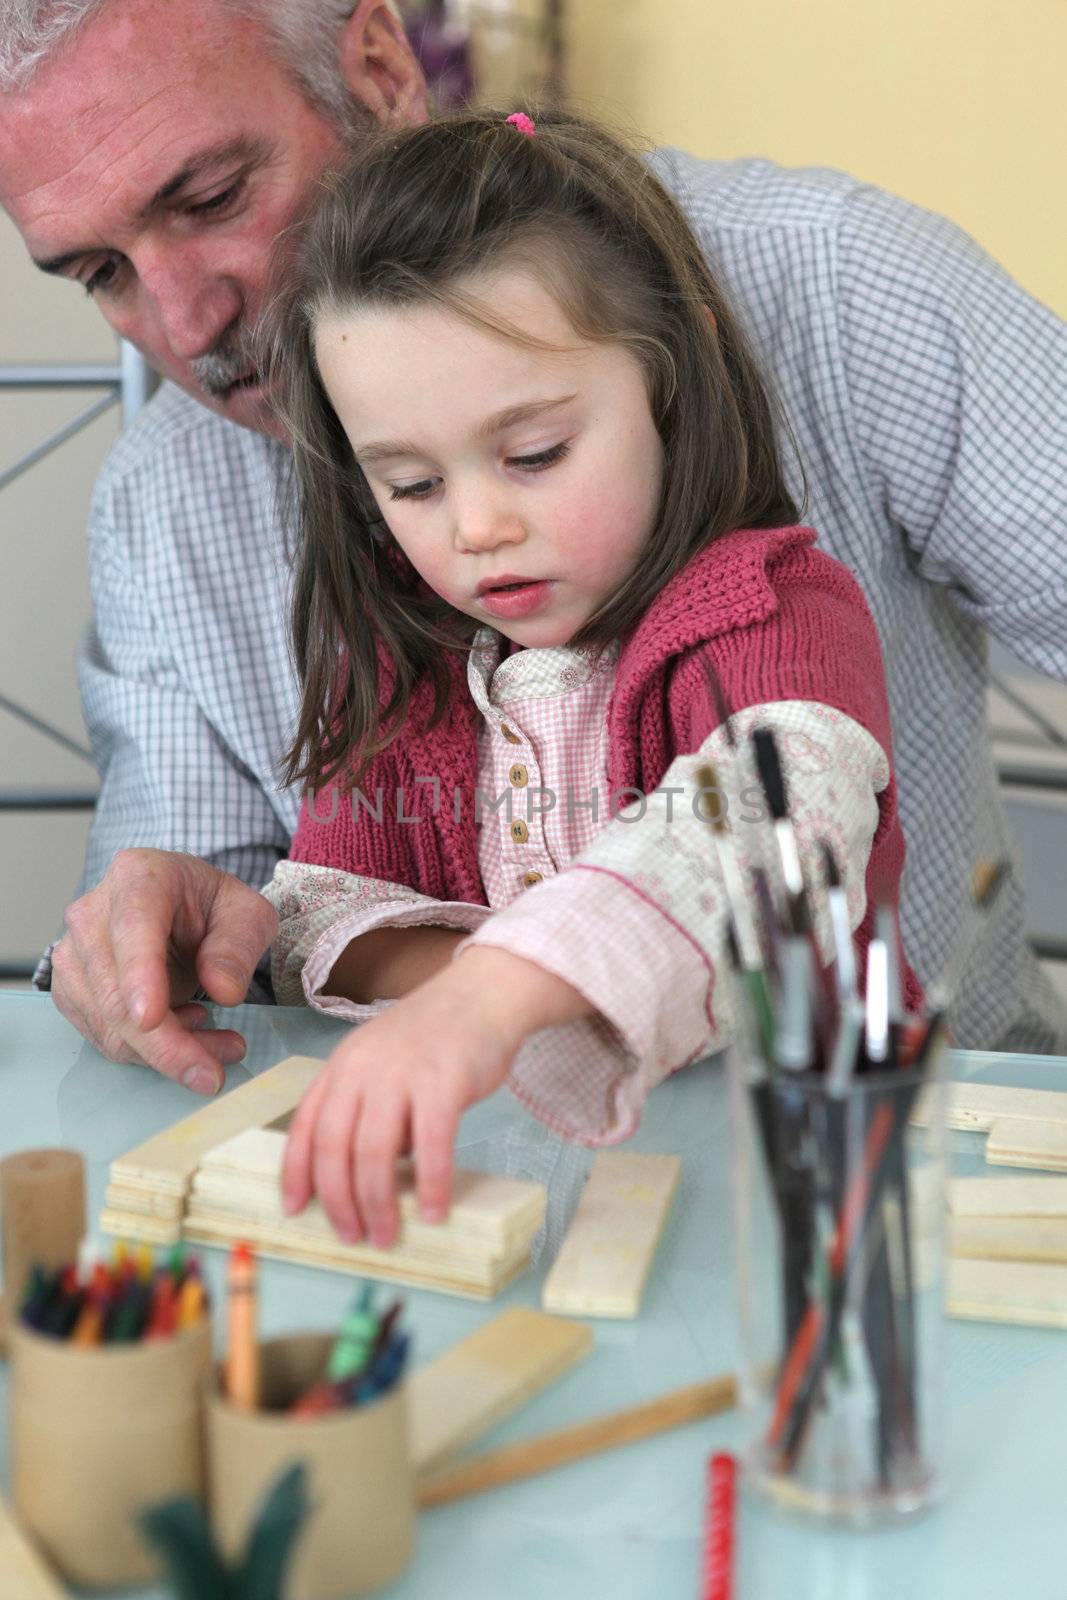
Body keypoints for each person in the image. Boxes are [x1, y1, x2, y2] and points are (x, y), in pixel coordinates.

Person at [0, 0, 1064, 1089]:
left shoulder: (832, 301)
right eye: (100, 273)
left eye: (213, 197)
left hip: (911, 1146)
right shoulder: (179, 520)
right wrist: (170, 941)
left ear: (375, 65)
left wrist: (495, 984)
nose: (181, 324)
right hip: (464, 1196)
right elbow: (248, 946)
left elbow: (764, 833)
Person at [257, 106, 921, 1245]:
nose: (475, 526)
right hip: (524, 1204)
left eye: (532, 455)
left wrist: (484, 998)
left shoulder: (772, 616)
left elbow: (759, 840)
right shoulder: (406, 666)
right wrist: (491, 993)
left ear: (673, 375)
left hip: (800, 1202)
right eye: (408, 484)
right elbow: (315, 913)